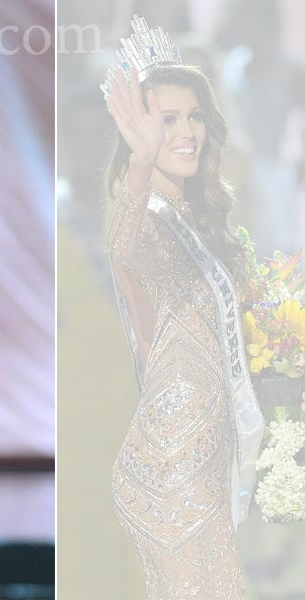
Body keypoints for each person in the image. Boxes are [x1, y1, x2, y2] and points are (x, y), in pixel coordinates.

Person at [102, 16, 263, 599]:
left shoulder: (202, 222)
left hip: (204, 458)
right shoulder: (145, 219)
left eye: (194, 115)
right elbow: (122, 246)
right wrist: (142, 163)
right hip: (168, 463)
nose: (187, 130)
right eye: (167, 119)